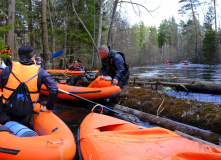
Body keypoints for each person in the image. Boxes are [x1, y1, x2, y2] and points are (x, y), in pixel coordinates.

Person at [0, 45, 58, 125]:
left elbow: (1, 86)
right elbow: (54, 89)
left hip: (7, 110)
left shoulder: (7, 70)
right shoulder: (41, 72)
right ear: (32, 57)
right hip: (27, 111)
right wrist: (48, 107)